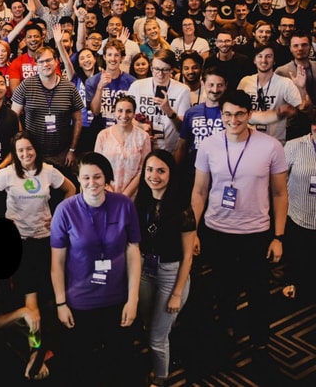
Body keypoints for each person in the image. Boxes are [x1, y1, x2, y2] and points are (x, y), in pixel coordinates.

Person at [191, 90, 288, 352]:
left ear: (249, 114)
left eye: (240, 114)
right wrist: (193, 232)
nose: (233, 120)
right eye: (228, 114)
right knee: (222, 288)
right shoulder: (209, 145)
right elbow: (199, 191)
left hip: (256, 232)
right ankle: (226, 331)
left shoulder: (271, 146)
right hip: (217, 230)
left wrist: (278, 237)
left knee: (258, 291)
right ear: (221, 114)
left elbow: (280, 194)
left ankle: (260, 339)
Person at [50, 152, 142, 386]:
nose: (92, 183)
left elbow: (133, 253)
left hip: (117, 299)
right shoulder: (65, 210)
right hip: (79, 301)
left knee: (117, 361)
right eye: (86, 178)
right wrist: (61, 303)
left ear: (107, 178)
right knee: (83, 365)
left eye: (98, 177)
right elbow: (57, 264)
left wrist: (133, 300)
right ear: (78, 179)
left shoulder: (124, 205)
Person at [0, 130, 75, 296]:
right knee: (21, 285)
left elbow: (71, 189)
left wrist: (58, 218)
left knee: (44, 284)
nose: (26, 154)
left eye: (29, 148)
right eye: (21, 150)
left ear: (36, 149)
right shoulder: (8, 173)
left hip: (44, 236)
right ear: (15, 154)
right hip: (17, 239)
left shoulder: (48, 171)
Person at [135, 150, 196, 386]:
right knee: (148, 325)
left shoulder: (182, 209)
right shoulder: (142, 201)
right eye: (149, 170)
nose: (154, 176)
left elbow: (188, 256)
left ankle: (160, 378)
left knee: (157, 337)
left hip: (171, 274)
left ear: (171, 174)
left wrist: (177, 294)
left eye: (161, 170)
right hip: (144, 270)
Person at [10, 45, 83, 167]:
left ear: (56, 61)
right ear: (36, 65)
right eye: (41, 62)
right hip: (32, 153)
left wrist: (72, 150)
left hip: (62, 154)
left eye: (48, 60)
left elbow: (78, 120)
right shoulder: (26, 86)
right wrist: (23, 144)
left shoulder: (69, 88)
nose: (45, 64)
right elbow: (13, 117)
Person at [281, 109, 316, 302]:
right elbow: (279, 179)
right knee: (299, 255)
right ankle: (294, 282)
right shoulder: (295, 146)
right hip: (298, 213)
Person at [127, 48, 190, 153]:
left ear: (172, 70)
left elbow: (182, 129)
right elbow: (125, 117)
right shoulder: (137, 86)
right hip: (139, 147)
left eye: (165, 70)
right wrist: (141, 126)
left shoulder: (183, 90)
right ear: (151, 68)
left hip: (168, 150)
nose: (160, 74)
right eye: (157, 69)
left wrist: (169, 111)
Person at [94, 95, 152, 199]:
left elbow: (143, 170)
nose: (124, 115)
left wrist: (125, 196)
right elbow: (97, 167)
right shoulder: (103, 135)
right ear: (114, 112)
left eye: (129, 111)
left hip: (133, 196)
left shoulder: (143, 137)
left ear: (134, 113)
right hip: (106, 193)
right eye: (120, 111)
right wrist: (110, 192)